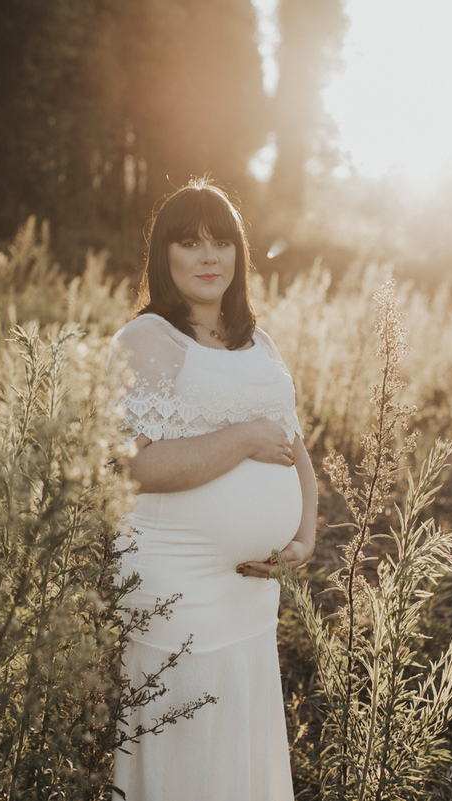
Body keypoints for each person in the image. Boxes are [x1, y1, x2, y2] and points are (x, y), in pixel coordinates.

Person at [109, 178, 317, 800]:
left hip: (251, 593)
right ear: (163, 254)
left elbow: (294, 446)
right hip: (178, 581)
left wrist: (304, 536)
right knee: (185, 731)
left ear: (238, 254)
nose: (208, 257)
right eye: (190, 242)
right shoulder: (147, 339)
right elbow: (132, 467)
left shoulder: (259, 342)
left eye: (221, 242)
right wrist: (243, 438)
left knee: (236, 735)